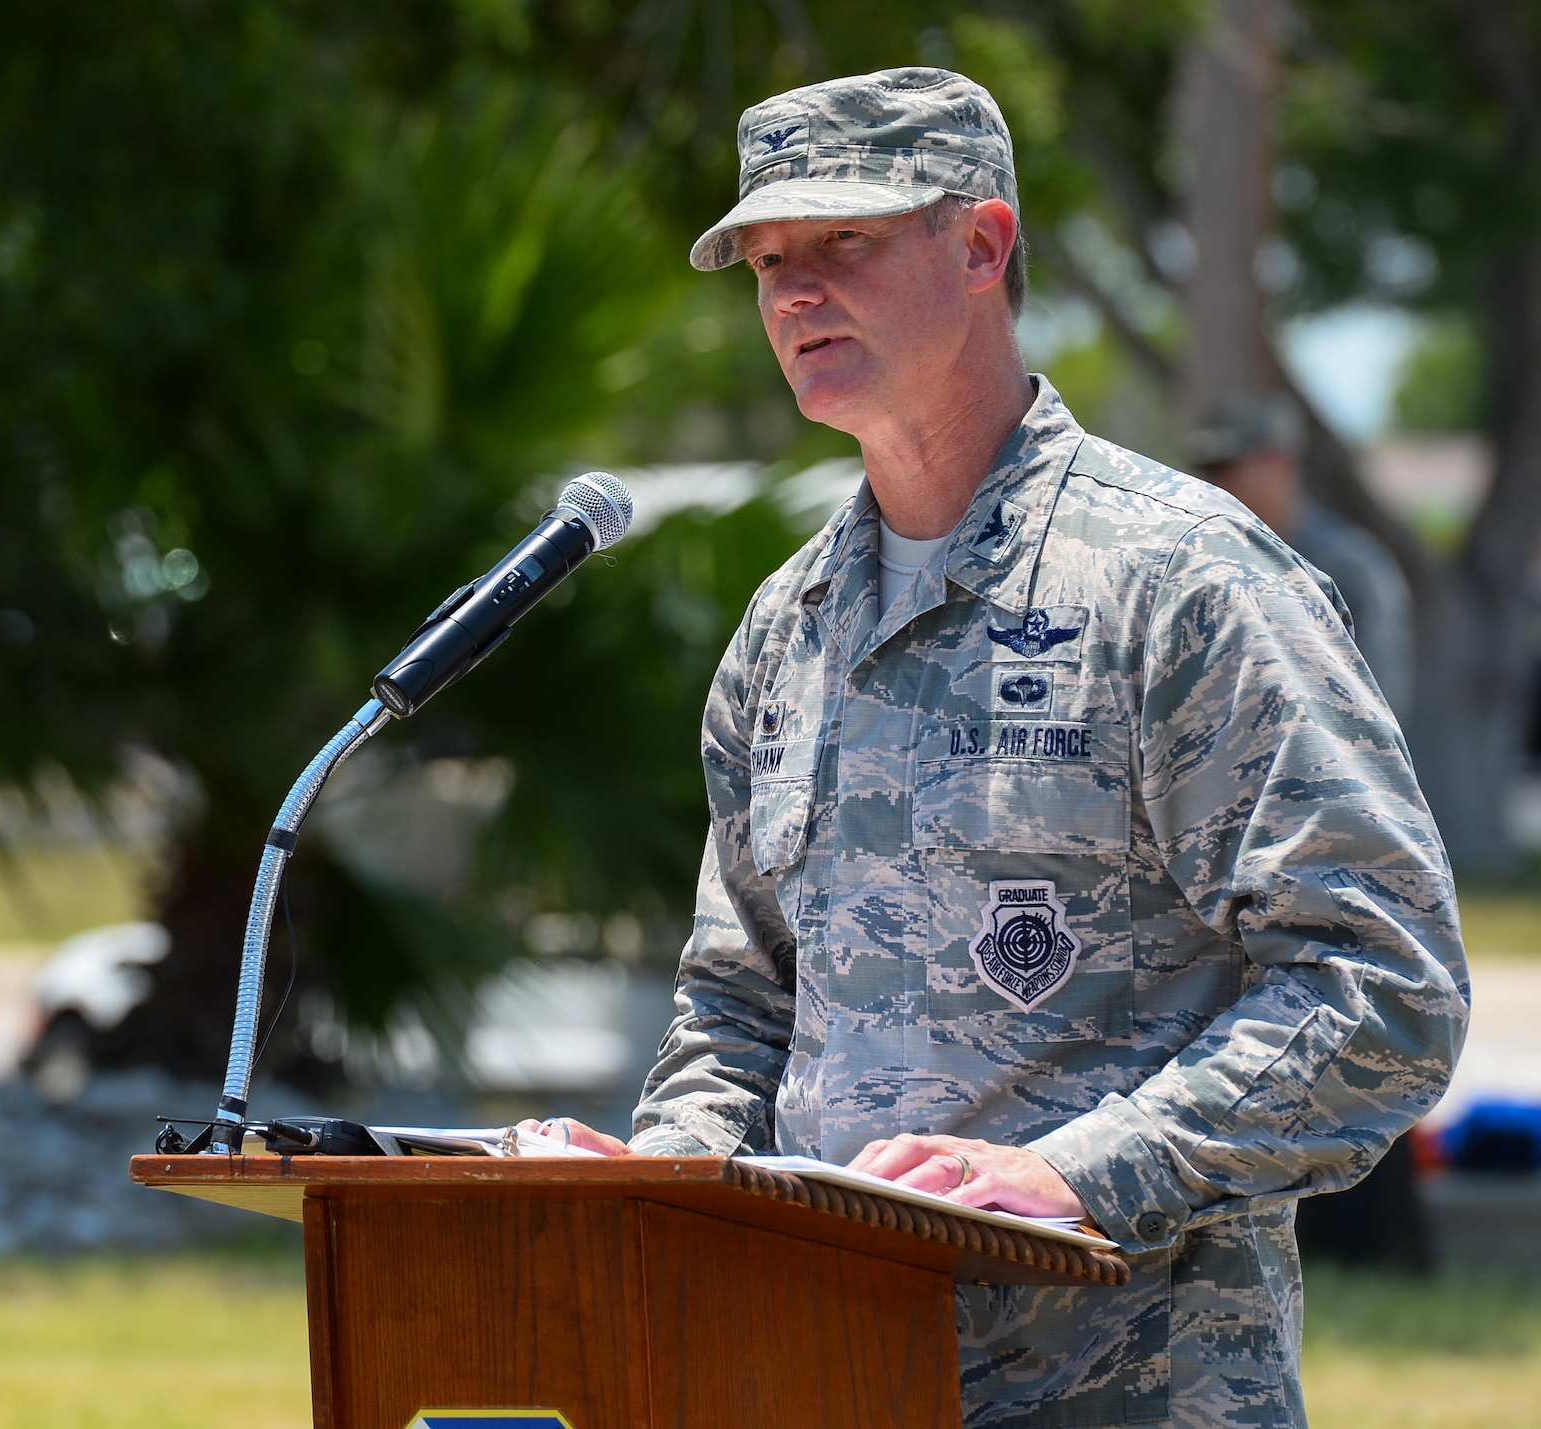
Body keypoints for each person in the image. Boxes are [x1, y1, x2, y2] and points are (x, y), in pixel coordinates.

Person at [526, 68, 1468, 1428]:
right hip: (822, 1378)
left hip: (1129, 1390)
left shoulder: (1179, 584)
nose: (793, 291)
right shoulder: (786, 629)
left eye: (843, 241)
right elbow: (742, 1003)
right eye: (768, 260)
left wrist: (1084, 1173)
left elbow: (1384, 982)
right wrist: (658, 1175)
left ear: (982, 246)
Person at [1186, 394, 1416, 723]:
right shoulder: (1201, 563)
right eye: (1205, 470)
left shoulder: (1347, 568)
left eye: (1226, 467)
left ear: (1278, 462)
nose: (1210, 483)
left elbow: (1378, 706)